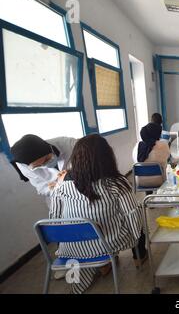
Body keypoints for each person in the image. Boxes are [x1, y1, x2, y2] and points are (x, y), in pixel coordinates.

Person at [50, 134, 146, 294]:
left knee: (93, 226)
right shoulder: (117, 182)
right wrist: (136, 236)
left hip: (71, 248)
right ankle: (138, 258)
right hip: (106, 243)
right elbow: (132, 214)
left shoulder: (62, 183)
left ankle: (104, 265)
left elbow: (55, 217)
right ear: (107, 157)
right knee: (138, 218)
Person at [10, 135, 77, 207]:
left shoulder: (71, 145)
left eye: (47, 159)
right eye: (38, 166)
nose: (45, 165)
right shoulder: (23, 166)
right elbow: (42, 188)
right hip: (60, 199)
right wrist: (60, 186)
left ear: (50, 148)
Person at [132, 123, 170, 188]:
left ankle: (148, 196)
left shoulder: (137, 146)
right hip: (160, 181)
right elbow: (168, 157)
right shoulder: (163, 145)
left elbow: (134, 159)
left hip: (140, 182)